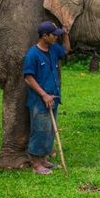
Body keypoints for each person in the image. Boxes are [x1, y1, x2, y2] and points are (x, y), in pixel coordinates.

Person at [22, 20, 71, 175]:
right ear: (44, 36)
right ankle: (36, 164)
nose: (56, 38)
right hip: (39, 100)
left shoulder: (53, 49)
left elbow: (66, 50)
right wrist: (43, 94)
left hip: (53, 98)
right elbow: (28, 77)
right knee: (40, 130)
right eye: (54, 35)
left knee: (49, 130)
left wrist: (66, 35)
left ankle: (43, 160)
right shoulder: (32, 54)